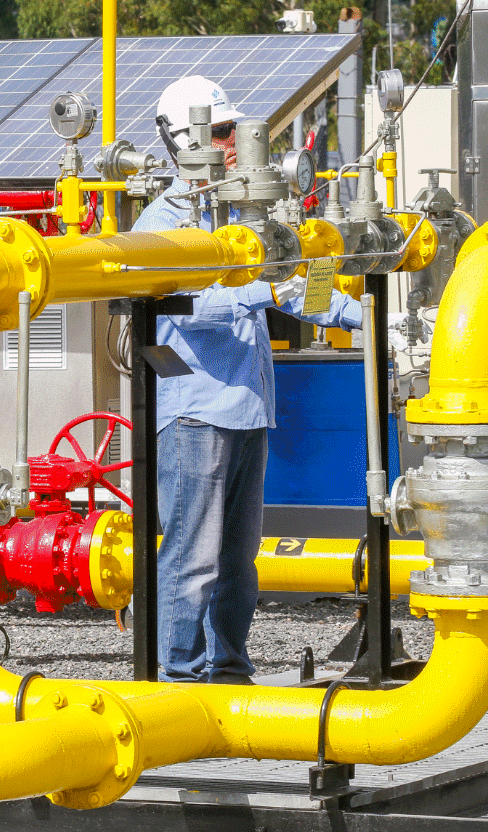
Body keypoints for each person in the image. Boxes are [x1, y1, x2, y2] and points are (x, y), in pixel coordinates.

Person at [134, 75, 364, 684]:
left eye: (235, 131)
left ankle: (230, 670)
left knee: (239, 559)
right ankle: (180, 680)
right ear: (188, 139)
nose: (238, 143)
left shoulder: (241, 214)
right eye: (226, 131)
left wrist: (354, 312)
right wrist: (264, 290)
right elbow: (190, 309)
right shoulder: (162, 222)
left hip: (247, 407)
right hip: (195, 412)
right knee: (193, 558)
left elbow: (289, 282)